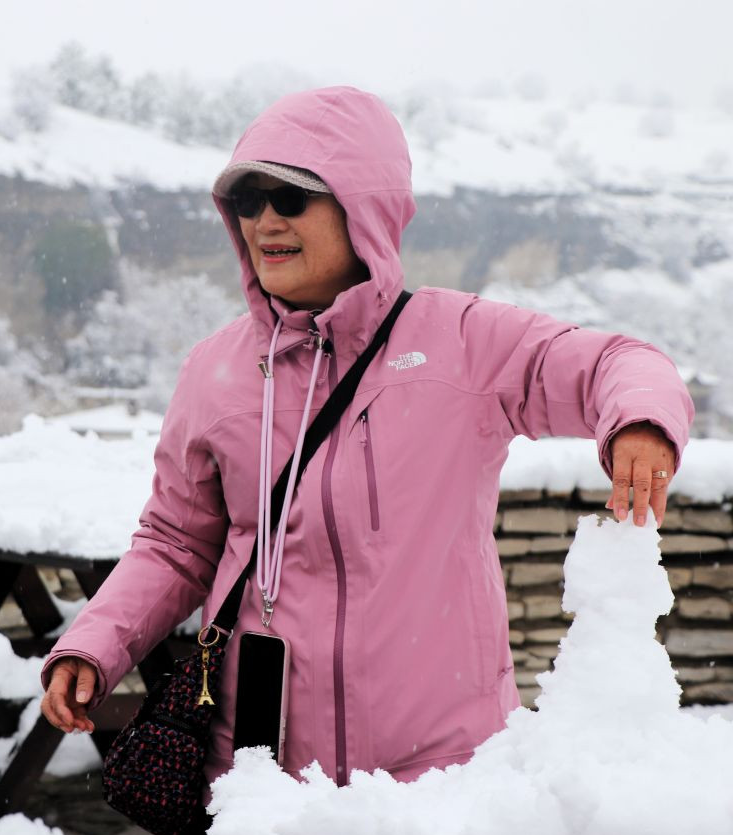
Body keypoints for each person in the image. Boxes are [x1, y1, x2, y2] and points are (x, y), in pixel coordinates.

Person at [41, 86, 692, 796]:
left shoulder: (459, 343)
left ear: (362, 205)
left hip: (443, 780)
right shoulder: (216, 370)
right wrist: (95, 644)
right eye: (247, 201)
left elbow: (615, 361)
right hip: (262, 777)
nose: (264, 221)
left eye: (290, 198)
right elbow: (175, 542)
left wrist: (638, 421)